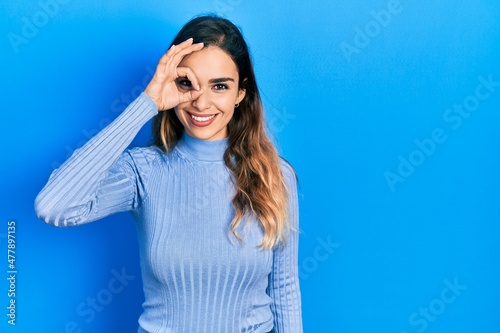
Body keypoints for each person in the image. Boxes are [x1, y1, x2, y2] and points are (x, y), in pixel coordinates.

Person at [35, 15, 302, 333]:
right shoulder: (142, 172)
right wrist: (147, 104)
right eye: (187, 83)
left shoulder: (274, 175)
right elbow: (53, 206)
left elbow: (284, 291)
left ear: (241, 92)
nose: (201, 102)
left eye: (219, 86)